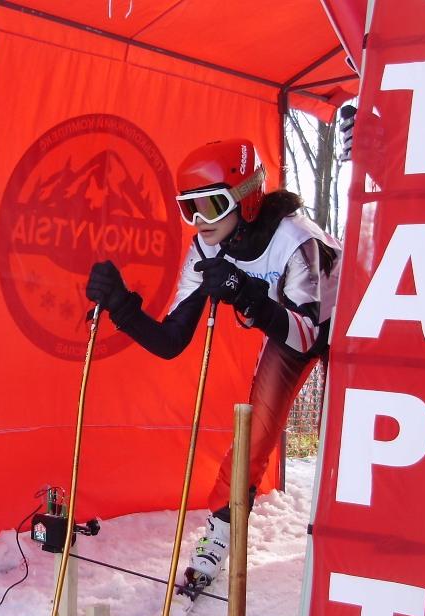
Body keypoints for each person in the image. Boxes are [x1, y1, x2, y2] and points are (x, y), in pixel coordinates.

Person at [85, 137, 341, 587]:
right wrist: (121, 305)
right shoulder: (207, 248)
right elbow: (171, 341)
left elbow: (307, 334)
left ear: (247, 199)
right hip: (287, 323)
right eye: (190, 208)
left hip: (344, 320)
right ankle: (221, 531)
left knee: (345, 428)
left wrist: (247, 296)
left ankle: (352, 528)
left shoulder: (295, 240)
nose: (200, 221)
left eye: (211, 205)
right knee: (255, 432)